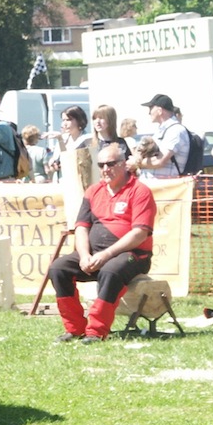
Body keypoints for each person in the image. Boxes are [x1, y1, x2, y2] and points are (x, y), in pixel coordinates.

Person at [48, 143, 156, 343]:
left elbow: (140, 233)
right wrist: (84, 255)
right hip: (94, 253)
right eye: (101, 165)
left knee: (111, 271)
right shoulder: (93, 191)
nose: (105, 169)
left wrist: (106, 255)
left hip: (134, 254)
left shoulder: (140, 191)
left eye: (111, 163)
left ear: (124, 164)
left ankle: (96, 331)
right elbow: (81, 227)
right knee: (57, 268)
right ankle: (74, 328)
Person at [133, 93, 189, 179]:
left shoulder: (175, 130)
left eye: (151, 108)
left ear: (159, 111)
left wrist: (136, 163)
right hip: (158, 186)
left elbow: (160, 161)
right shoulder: (163, 130)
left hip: (166, 188)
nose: (149, 113)